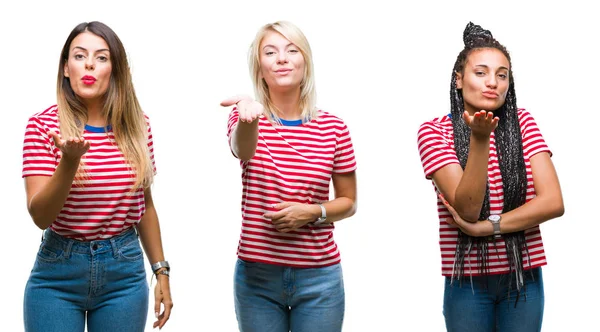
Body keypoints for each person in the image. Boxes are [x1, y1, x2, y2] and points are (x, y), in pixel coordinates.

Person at [22, 21, 173, 332]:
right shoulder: (41, 126)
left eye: (101, 57)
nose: (90, 64)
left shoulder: (137, 127)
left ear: (114, 71)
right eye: (80, 56)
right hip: (57, 276)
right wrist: (69, 161)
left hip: (124, 275)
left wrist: (161, 271)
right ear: (66, 68)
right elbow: (40, 215)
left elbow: (144, 207)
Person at [417, 22, 564, 332]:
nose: (492, 83)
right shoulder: (433, 132)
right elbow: (467, 207)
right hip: (467, 283)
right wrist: (479, 139)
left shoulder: (523, 122)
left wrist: (486, 227)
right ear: (459, 79)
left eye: (501, 74)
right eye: (480, 72)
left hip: (524, 278)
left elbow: (552, 202)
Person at [220, 21, 357, 332]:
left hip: (320, 279)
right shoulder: (245, 117)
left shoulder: (334, 128)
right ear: (260, 69)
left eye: (291, 50)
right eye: (270, 52)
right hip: (257, 279)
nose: (281, 58)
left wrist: (313, 212)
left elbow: (349, 203)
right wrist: (248, 117)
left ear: (304, 63)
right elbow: (242, 150)